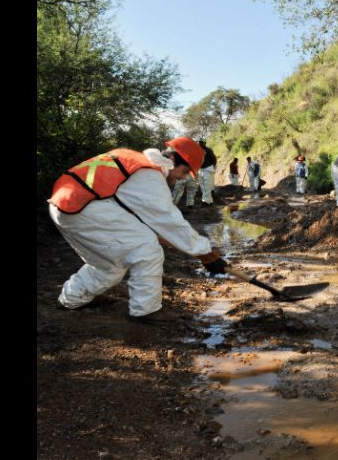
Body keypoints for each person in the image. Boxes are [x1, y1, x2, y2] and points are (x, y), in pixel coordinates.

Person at [47, 137, 229, 323]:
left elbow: (143, 220)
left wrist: (195, 250)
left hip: (64, 206)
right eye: (184, 171)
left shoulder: (134, 160)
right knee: (147, 250)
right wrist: (205, 252)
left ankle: (71, 298)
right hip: (84, 208)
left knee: (110, 265)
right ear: (173, 160)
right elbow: (169, 220)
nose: (182, 178)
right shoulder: (149, 175)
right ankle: (147, 311)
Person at [197, 139, 217, 206]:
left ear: (205, 143)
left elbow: (214, 159)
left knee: (207, 186)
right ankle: (208, 201)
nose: (200, 144)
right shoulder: (197, 151)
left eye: (202, 143)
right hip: (200, 170)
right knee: (202, 186)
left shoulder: (208, 150)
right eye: (199, 143)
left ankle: (206, 202)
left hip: (208, 170)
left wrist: (213, 167)